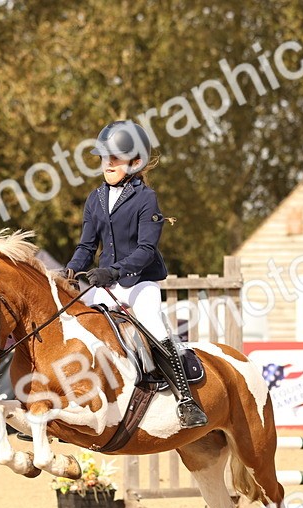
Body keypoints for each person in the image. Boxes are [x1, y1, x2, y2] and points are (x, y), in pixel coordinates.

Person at [66, 120, 207, 428]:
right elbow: (87, 246)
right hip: (105, 284)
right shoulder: (95, 198)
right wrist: (72, 268)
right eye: (104, 157)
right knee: (73, 325)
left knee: (155, 327)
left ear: (135, 161)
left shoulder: (146, 199)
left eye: (115, 157)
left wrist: (111, 271)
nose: (108, 163)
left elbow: (145, 250)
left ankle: (186, 400)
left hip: (139, 282)